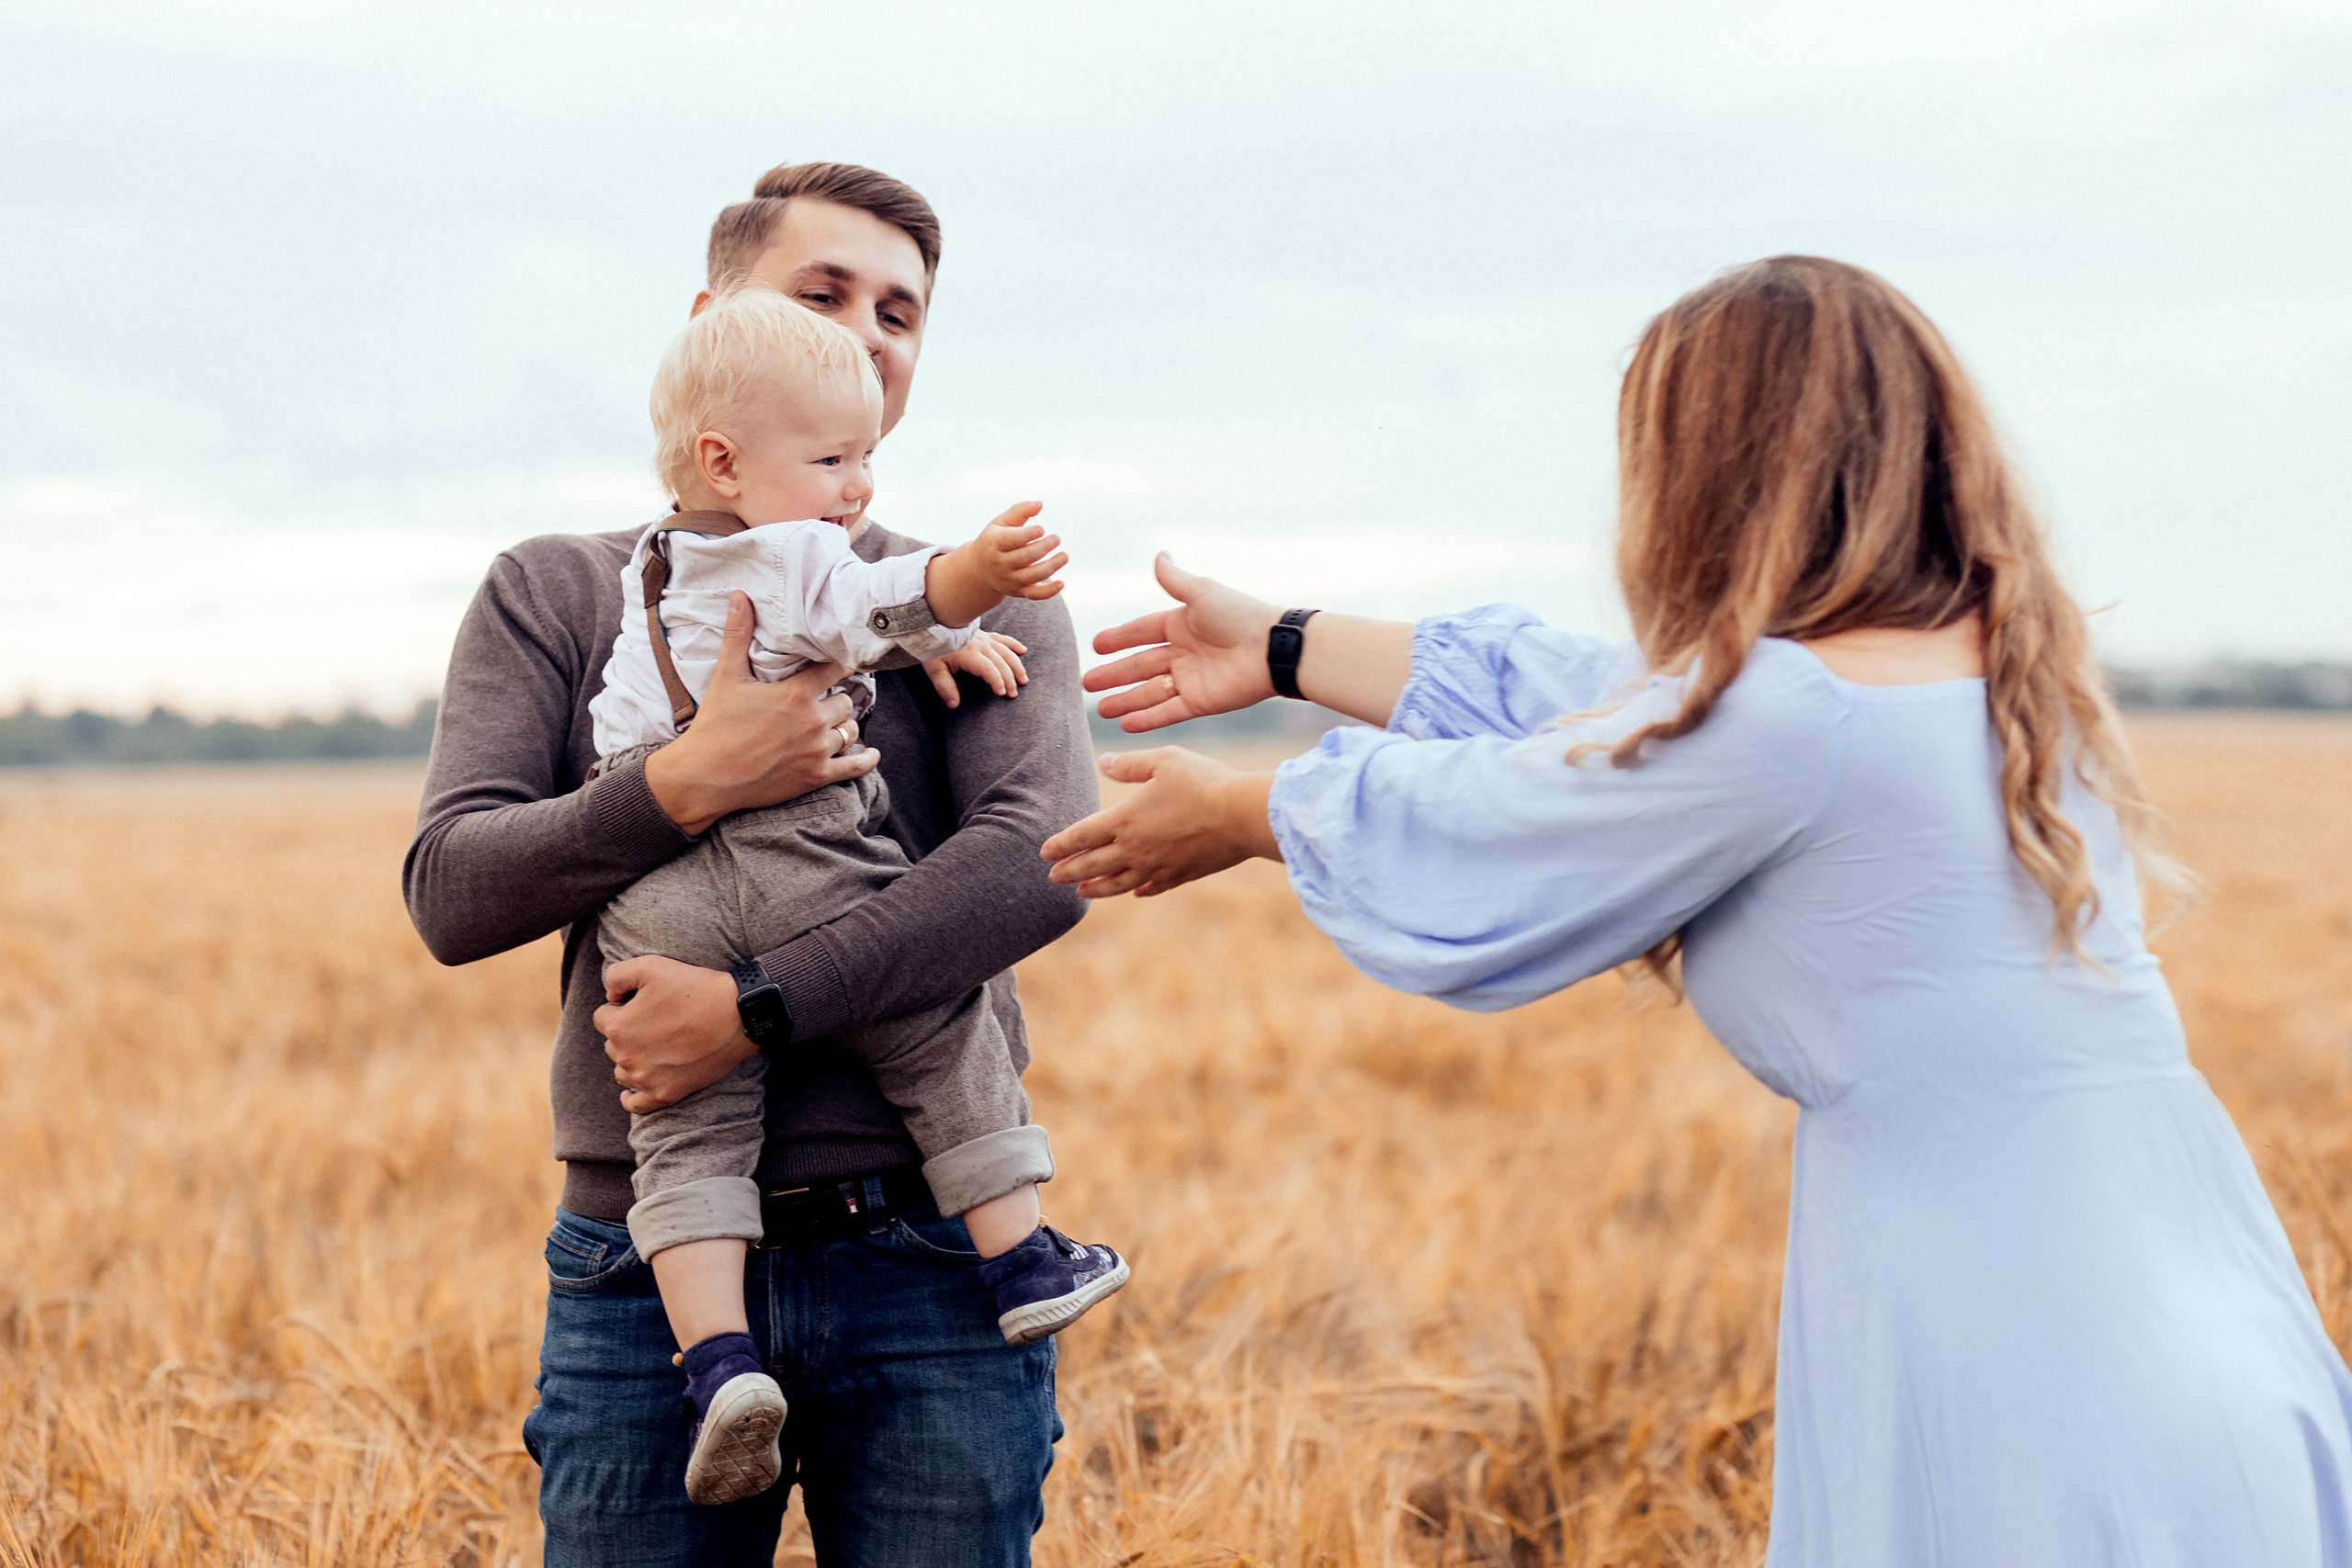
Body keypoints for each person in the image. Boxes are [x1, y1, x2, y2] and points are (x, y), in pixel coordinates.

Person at [1041, 256, 2352, 1564]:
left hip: (2021, 1336)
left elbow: (1523, 809)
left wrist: (1244, 814)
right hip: (2170, 1289)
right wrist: (1282, 642)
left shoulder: (1795, 715)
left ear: (1720, 466)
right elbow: (1606, 708)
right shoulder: (1998, 672)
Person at [405, 160, 1089, 1565]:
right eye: (824, 291)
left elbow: (1036, 868)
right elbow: (454, 892)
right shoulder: (555, 586)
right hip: (639, 1266)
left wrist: (754, 1008)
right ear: (712, 324)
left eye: (901, 310)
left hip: (933, 1254)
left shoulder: (971, 590)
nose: (869, 331)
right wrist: (685, 782)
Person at [591, 285, 1125, 1506]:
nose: (858, 488)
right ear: (725, 456)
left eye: (867, 459)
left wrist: (926, 651)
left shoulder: (654, 569)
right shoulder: (802, 550)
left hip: (653, 889)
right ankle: (1022, 1258)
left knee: (683, 1131)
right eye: (833, 458)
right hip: (798, 859)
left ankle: (718, 1361)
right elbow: (867, 600)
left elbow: (731, 675)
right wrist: (970, 582)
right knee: (941, 1033)